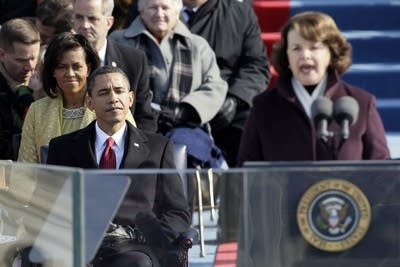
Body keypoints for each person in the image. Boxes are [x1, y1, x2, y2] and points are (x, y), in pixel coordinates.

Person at [47, 65, 191, 267]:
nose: (113, 98)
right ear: (89, 102)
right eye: (104, 92)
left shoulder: (158, 147)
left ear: (130, 98)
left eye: (119, 91)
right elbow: (49, 205)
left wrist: (137, 235)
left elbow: (178, 213)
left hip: (135, 247)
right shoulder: (62, 148)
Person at [237, 11, 390, 166]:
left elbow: (381, 169)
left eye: (314, 47)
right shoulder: (264, 107)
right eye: (296, 48)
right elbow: (246, 171)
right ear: (286, 56)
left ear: (331, 53)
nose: (305, 55)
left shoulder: (362, 103)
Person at [109, 0, 227, 139]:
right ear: (141, 11)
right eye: (153, 7)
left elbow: (215, 86)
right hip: (133, 124)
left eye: (165, 8)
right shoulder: (118, 41)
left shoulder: (197, 45)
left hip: (187, 127)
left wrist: (186, 110)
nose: (159, 14)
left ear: (177, 12)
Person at [18, 32, 103, 163]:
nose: (70, 74)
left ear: (88, 69)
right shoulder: (37, 111)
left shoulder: (107, 105)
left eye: (77, 67)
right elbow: (26, 168)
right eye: (61, 67)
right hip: (47, 183)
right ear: (53, 71)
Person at [73, 0, 157, 131]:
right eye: (79, 17)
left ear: (109, 22)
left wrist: (135, 148)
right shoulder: (59, 59)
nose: (84, 25)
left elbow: (144, 117)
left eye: (92, 18)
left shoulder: (134, 60)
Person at [0, 18, 40, 160]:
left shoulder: (49, 79)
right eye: (21, 60)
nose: (29, 66)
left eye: (33, 58)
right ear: (2, 55)